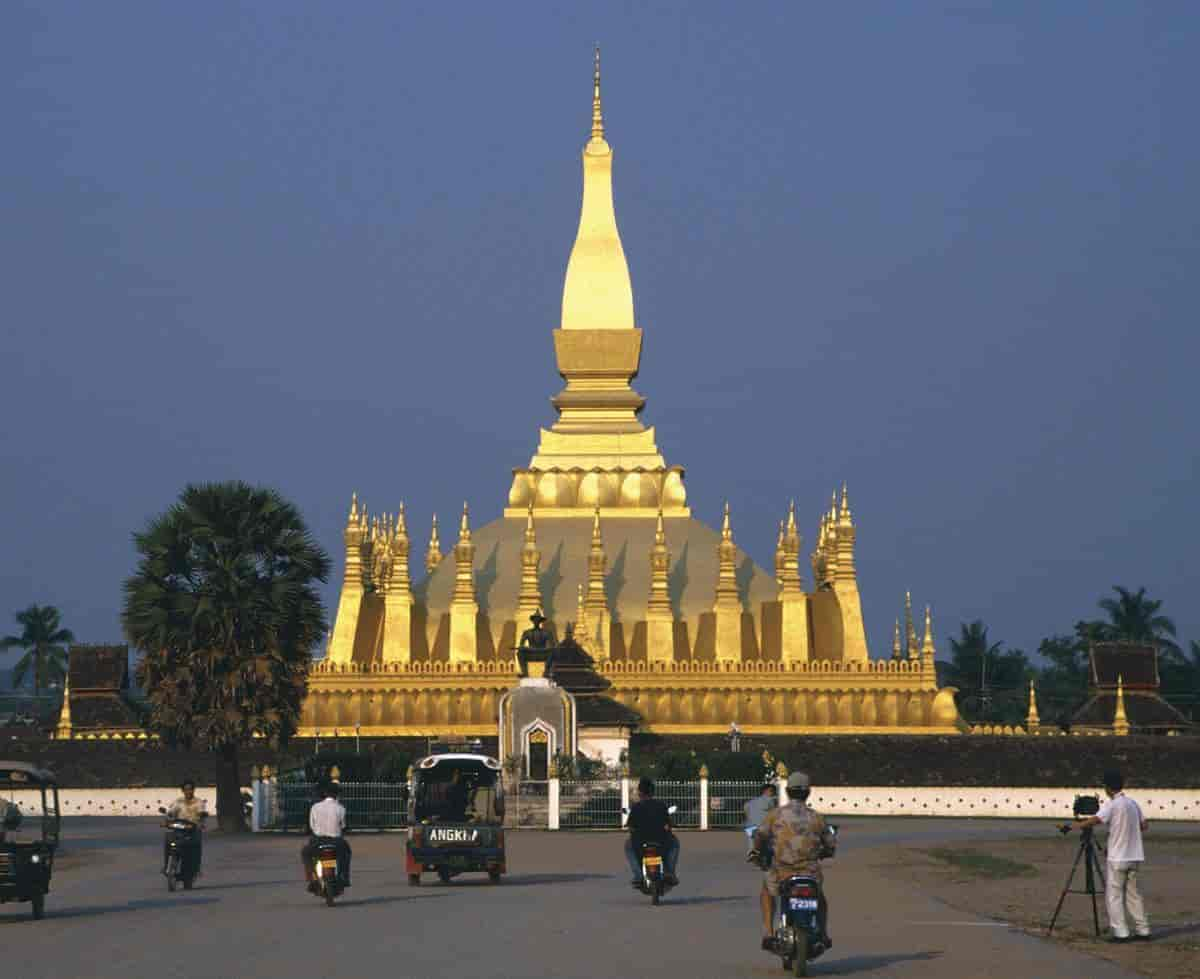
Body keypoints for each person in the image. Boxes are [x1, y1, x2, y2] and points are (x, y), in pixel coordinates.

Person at [752, 772, 835, 953]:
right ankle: (823, 932)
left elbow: (760, 836)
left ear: (788, 791)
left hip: (781, 871)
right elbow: (830, 844)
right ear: (808, 793)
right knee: (820, 897)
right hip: (810, 872)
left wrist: (758, 852)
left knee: (767, 891)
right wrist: (826, 852)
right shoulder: (817, 817)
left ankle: (768, 932)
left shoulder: (775, 815)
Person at [1072, 769, 1150, 943]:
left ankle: (1121, 932)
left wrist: (1075, 826)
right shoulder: (1133, 803)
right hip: (1135, 855)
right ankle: (1143, 929)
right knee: (1134, 894)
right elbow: (1144, 825)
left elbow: (1096, 820)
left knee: (1114, 895)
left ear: (1108, 787)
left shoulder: (1112, 804)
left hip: (1118, 857)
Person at [624, 777, 679, 887]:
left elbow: (630, 827)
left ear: (640, 792)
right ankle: (669, 872)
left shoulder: (636, 807)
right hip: (661, 841)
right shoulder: (661, 805)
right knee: (675, 843)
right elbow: (668, 825)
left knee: (628, 846)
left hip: (640, 842)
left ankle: (638, 875)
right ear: (653, 792)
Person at [302, 782, 352, 889]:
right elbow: (343, 826)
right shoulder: (341, 808)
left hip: (318, 841)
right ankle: (344, 876)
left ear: (324, 793)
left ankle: (312, 877)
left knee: (305, 853)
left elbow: (312, 826)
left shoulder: (315, 807)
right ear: (337, 794)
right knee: (346, 853)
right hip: (336, 842)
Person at [162, 779, 207, 877]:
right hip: (179, 826)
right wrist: (168, 816)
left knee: (195, 846)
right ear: (182, 790)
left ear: (193, 790)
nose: (188, 791)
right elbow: (172, 811)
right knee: (169, 840)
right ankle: (166, 865)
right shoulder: (178, 801)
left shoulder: (198, 802)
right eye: (186, 789)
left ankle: (196, 868)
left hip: (193, 828)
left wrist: (202, 815)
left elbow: (201, 811)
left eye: (190, 789)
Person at [743, 782, 777, 853]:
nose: (773, 793)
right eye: (771, 791)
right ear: (765, 791)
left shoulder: (751, 801)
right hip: (762, 828)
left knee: (751, 839)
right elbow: (774, 813)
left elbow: (746, 809)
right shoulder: (770, 800)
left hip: (750, 827)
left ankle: (752, 851)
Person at [517, 611, 553, 677]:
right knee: (520, 652)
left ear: (540, 621)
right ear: (533, 621)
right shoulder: (527, 632)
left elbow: (552, 645)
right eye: (535, 620)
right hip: (531, 654)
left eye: (538, 620)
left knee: (552, 652)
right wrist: (523, 647)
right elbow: (521, 645)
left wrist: (548, 649)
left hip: (543, 654)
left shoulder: (547, 633)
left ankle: (546, 672)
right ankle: (524, 672)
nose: (536, 621)